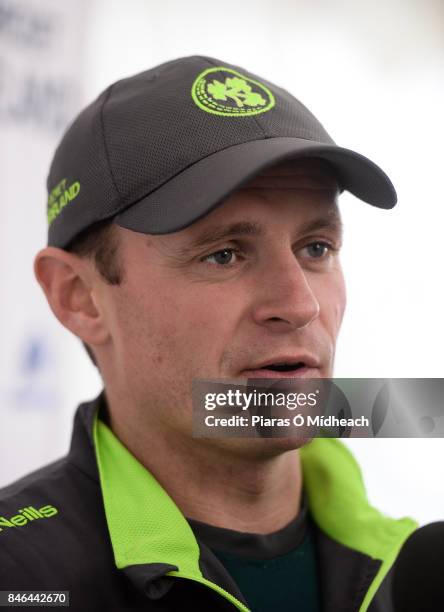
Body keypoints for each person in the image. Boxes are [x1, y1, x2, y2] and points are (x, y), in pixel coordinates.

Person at [0, 56, 416, 611]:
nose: (298, 304)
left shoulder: (415, 572)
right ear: (78, 297)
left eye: (316, 248)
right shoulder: (20, 578)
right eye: (223, 255)